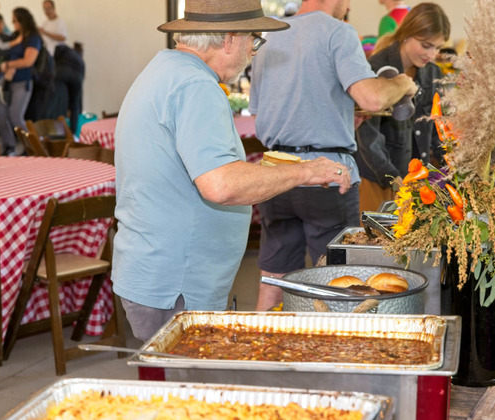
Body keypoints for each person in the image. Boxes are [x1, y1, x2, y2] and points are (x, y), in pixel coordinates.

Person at [113, 0, 351, 341]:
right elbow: (222, 185)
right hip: (176, 282)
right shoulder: (195, 86)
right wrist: (307, 172)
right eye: (253, 40)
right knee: (185, 388)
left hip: (157, 272)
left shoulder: (165, 69)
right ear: (230, 39)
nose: (253, 51)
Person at [249, 0, 418, 311]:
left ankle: (262, 353)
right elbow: (372, 96)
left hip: (277, 175)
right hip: (327, 178)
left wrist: (340, 119)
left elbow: (263, 112)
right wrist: (401, 82)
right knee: (339, 283)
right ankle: (333, 357)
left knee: (273, 276)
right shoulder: (338, 32)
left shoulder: (270, 34)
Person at [355, 2, 450, 215]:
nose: (432, 54)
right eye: (426, 45)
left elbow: (437, 127)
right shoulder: (376, 68)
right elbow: (368, 139)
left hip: (416, 178)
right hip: (378, 179)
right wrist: (394, 179)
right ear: (407, 34)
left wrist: (450, 168)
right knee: (380, 243)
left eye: (437, 47)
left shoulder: (432, 73)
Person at [0, 7, 42, 156]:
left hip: (22, 81)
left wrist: (10, 65)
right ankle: (8, 147)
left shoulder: (33, 38)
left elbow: (29, 61)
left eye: (15, 21)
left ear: (23, 21)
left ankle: (31, 147)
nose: (13, 23)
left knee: (15, 115)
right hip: (7, 81)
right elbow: (4, 52)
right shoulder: (15, 36)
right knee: (1, 114)